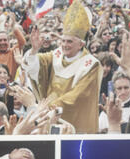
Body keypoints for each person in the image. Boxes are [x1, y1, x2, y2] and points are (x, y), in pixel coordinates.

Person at [21, 0, 101, 134]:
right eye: (63, 41)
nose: (64, 45)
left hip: (72, 123)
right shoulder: (56, 54)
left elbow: (77, 97)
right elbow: (34, 65)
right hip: (48, 117)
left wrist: (46, 108)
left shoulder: (91, 64)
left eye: (69, 41)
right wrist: (34, 50)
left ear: (81, 44)